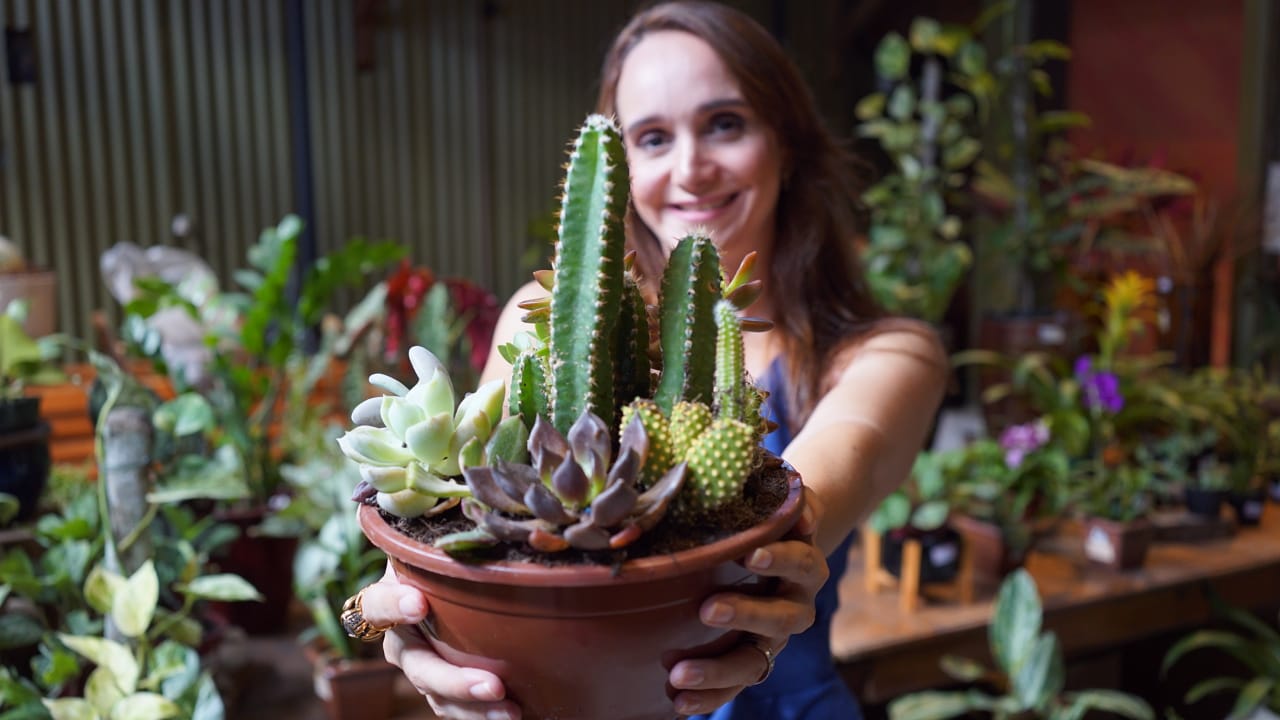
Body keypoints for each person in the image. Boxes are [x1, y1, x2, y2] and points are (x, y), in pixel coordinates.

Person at [348, 2, 946, 718]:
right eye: (653, 138)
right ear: (616, 169)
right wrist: (402, 607)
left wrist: (777, 556)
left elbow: (817, 489)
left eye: (725, 123)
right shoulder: (541, 329)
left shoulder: (886, 354)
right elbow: (479, 499)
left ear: (785, 142)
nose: (690, 167)